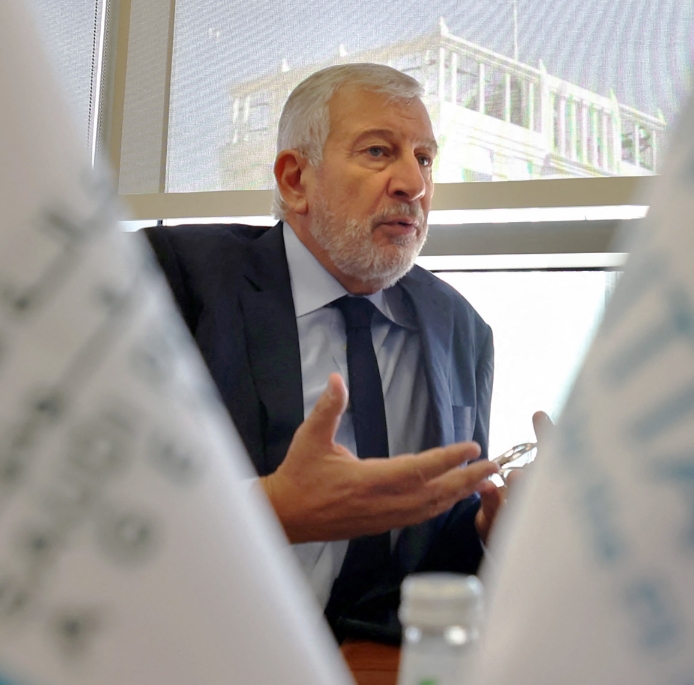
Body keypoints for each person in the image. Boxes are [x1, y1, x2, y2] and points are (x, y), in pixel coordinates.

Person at [143, 63, 516, 643]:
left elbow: (437, 546)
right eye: (377, 151)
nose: (412, 186)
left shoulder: (461, 330)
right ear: (295, 179)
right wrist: (267, 509)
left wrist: (494, 530)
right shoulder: (173, 279)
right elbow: (77, 491)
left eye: (424, 159)